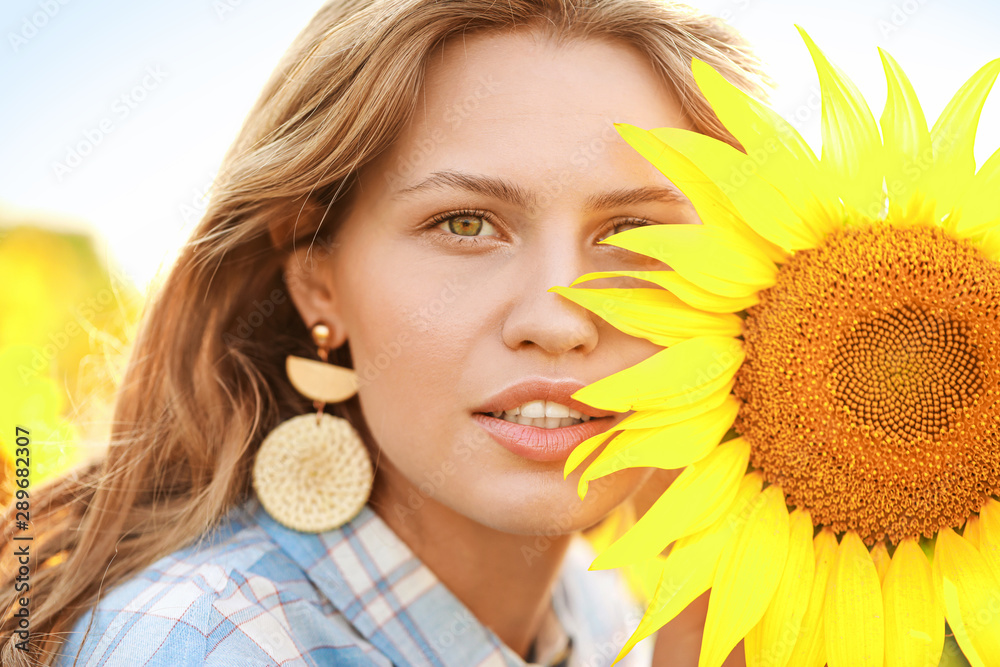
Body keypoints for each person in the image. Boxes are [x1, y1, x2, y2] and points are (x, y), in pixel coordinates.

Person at [0, 0, 766, 664]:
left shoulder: (603, 617)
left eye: (634, 233)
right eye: (466, 224)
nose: (558, 320)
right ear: (318, 283)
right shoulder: (211, 640)